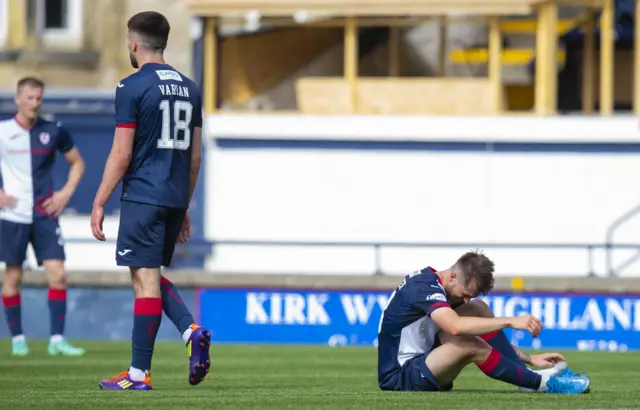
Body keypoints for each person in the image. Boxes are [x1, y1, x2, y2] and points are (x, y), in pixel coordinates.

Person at [90, 11, 210, 391]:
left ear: (134, 43)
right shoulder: (191, 88)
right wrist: (186, 204)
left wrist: (99, 201)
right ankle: (190, 331)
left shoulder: (131, 86)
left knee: (143, 281)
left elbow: (121, 154)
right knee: (150, 278)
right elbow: (195, 158)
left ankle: (140, 374)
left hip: (143, 194)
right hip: (174, 196)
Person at [377, 251, 591, 394]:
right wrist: (510, 321)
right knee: (469, 344)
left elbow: (465, 324)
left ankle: (526, 376)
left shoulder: (437, 284)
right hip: (400, 375)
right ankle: (543, 384)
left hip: (423, 356)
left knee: (478, 309)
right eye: (465, 293)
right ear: (452, 276)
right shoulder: (423, 287)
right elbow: (455, 327)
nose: (466, 300)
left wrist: (528, 358)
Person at [0, 77, 86, 357]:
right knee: (12, 277)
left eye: (39, 98)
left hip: (44, 213)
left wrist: (65, 193)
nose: (35, 103)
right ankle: (18, 340)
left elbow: (78, 163)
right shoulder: (3, 131)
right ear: (17, 99)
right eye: (29, 98)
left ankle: (57, 340)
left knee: (58, 274)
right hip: (13, 215)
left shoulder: (53, 130)